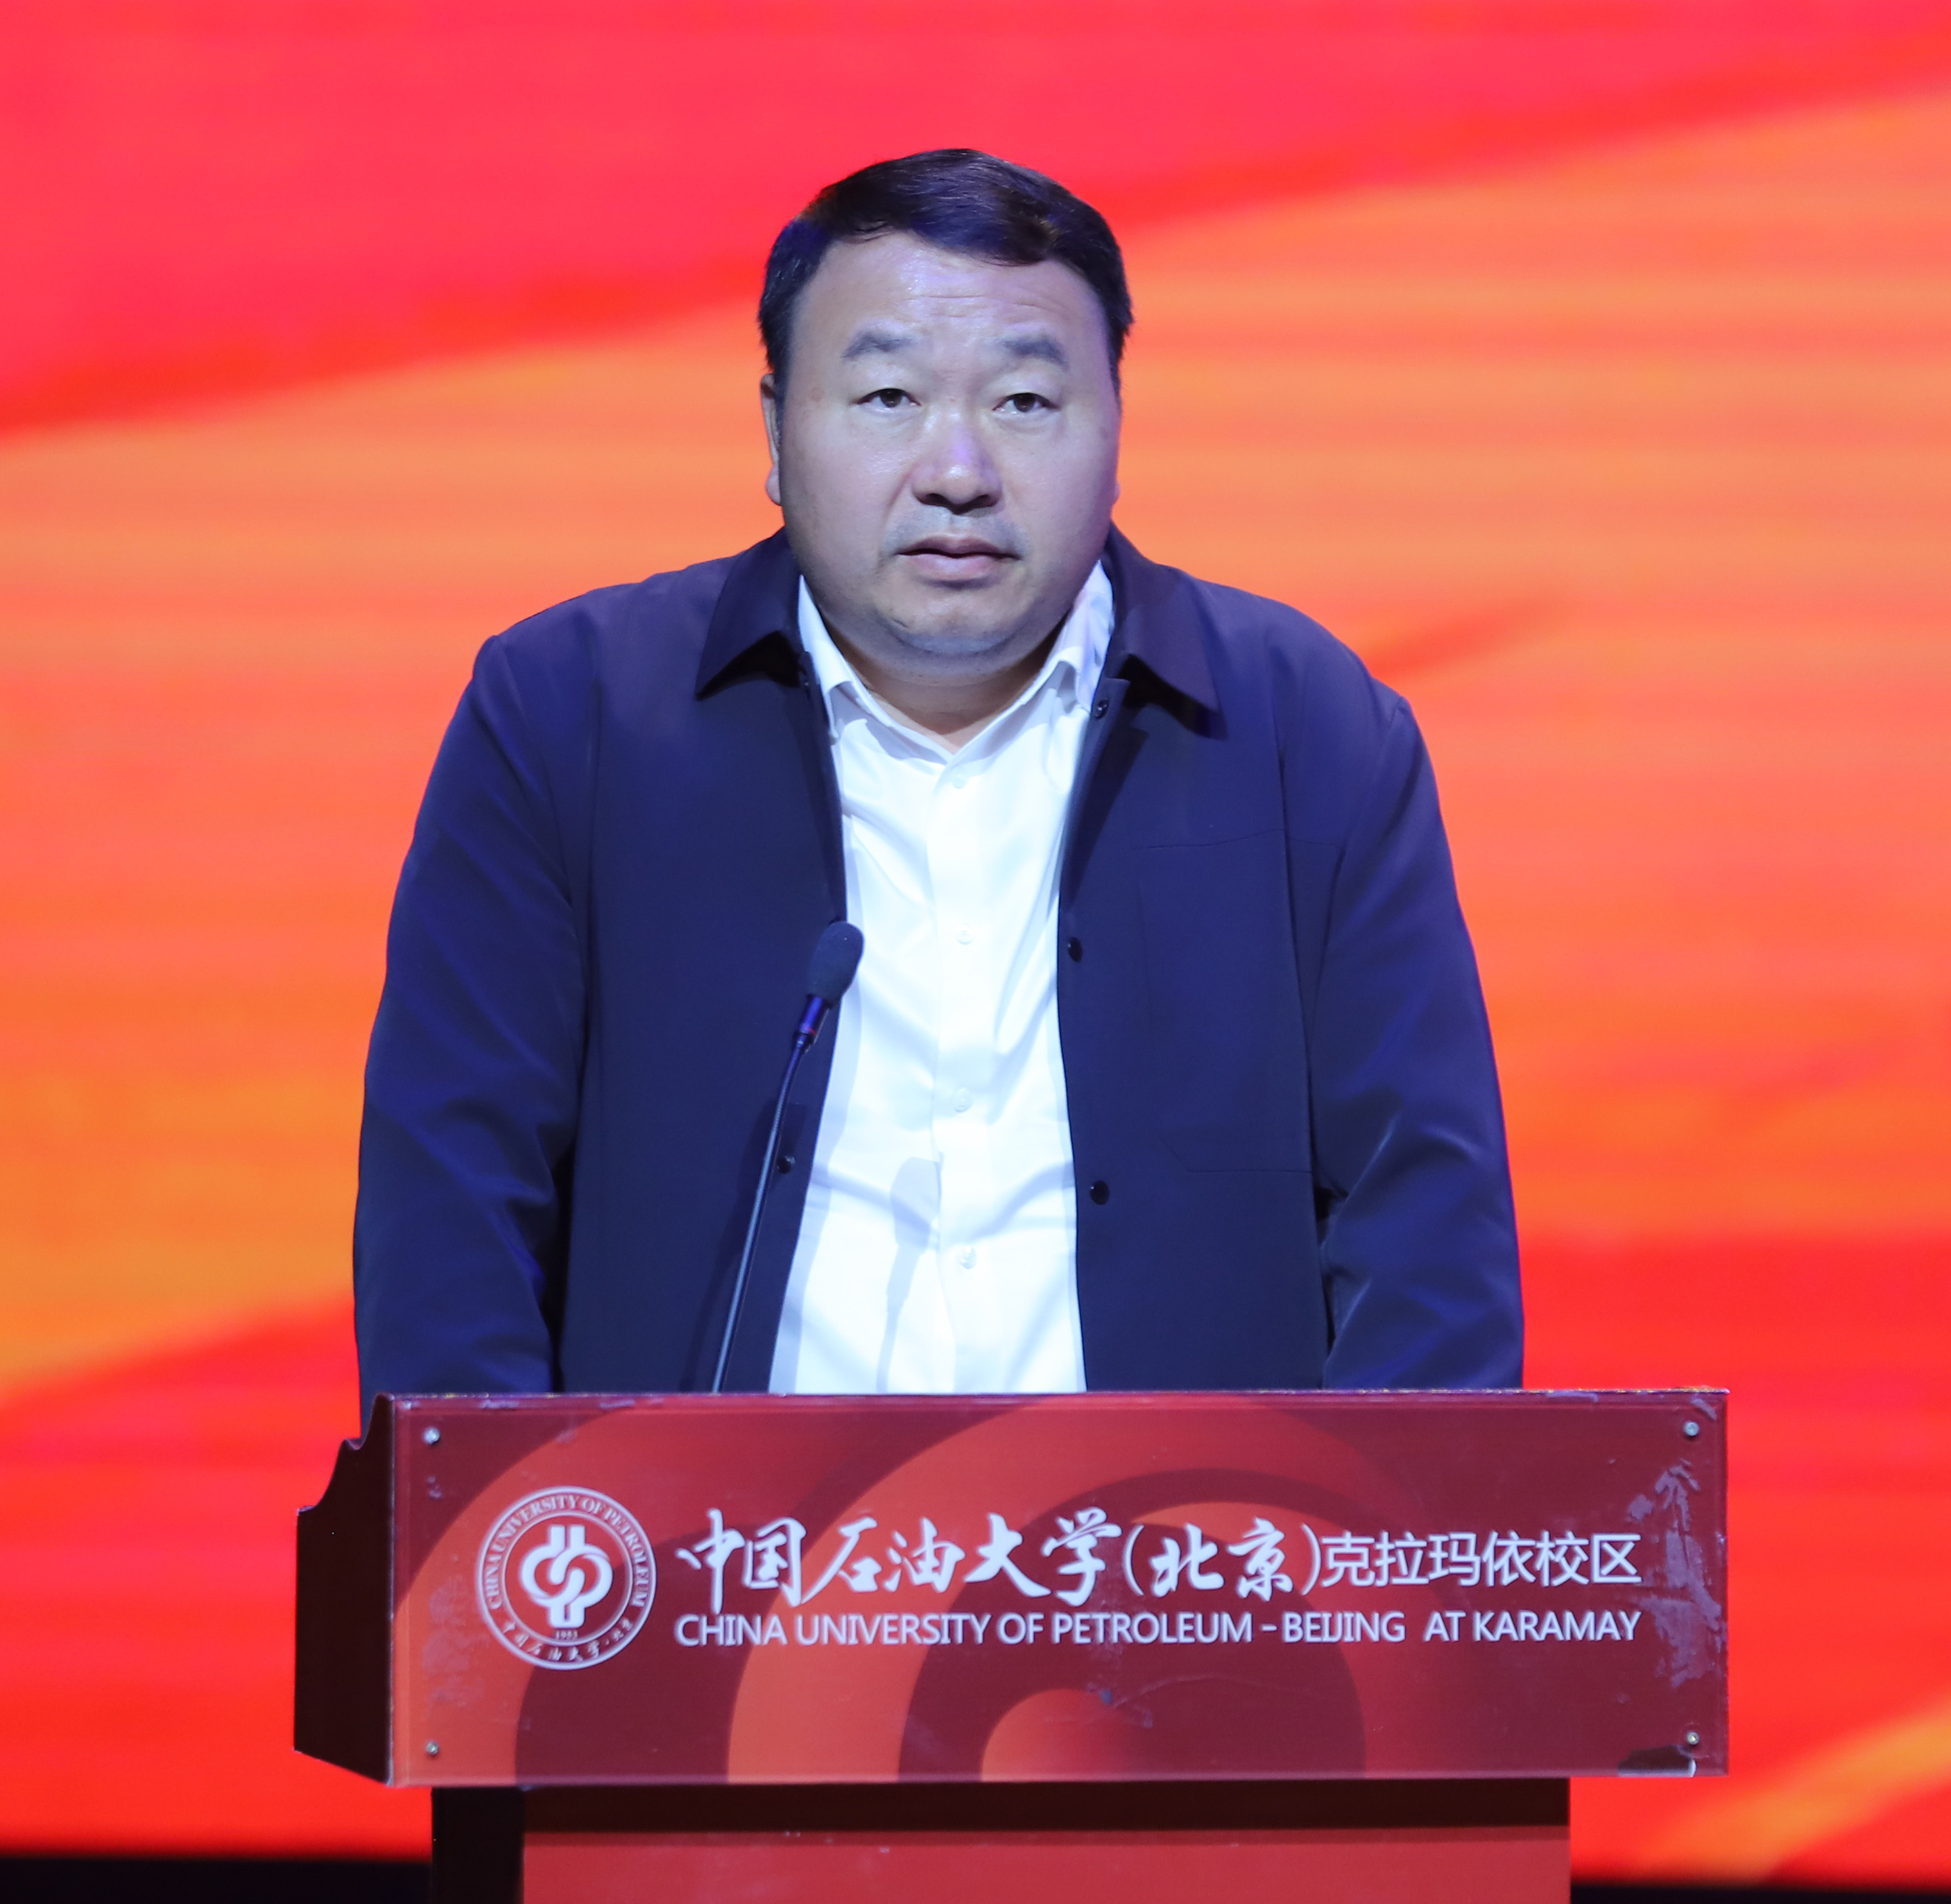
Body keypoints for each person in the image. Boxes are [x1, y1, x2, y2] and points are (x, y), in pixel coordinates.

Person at [354, 148, 1518, 1407]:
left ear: (1117, 426)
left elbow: (1425, 1229)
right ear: (774, 429)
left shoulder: (1308, 730)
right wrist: (526, 1525)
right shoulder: (567, 717)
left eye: (1023, 401)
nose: (957, 471)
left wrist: (1345, 1537)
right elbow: (452, 1214)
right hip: (709, 1535)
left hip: (1181, 1534)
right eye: (888, 396)